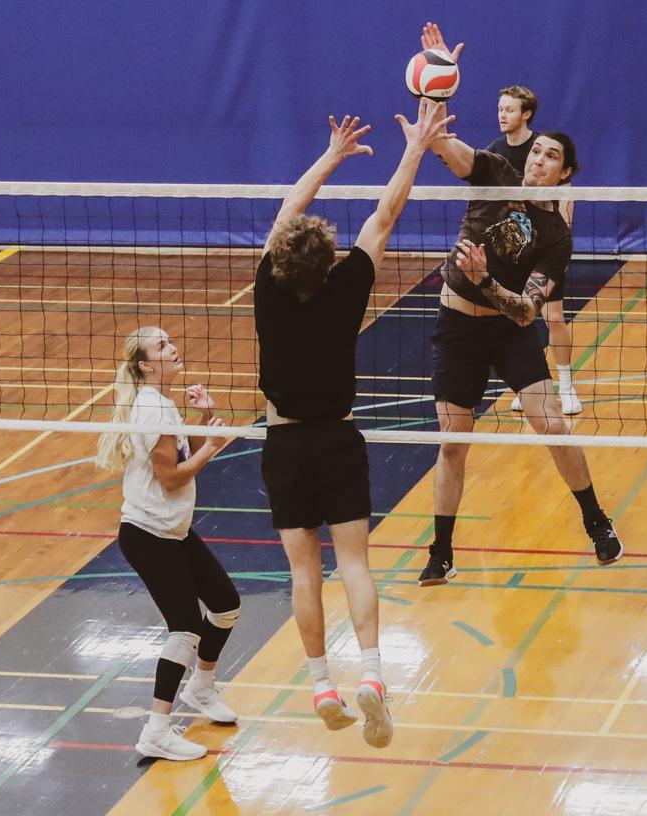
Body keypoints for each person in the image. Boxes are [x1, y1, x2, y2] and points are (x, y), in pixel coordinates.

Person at [255, 101, 454, 748]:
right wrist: (416, 146)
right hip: (338, 440)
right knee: (356, 567)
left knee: (304, 575)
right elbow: (385, 212)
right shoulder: (348, 290)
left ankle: (320, 683)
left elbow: (288, 208)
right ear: (329, 260)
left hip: (284, 444)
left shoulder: (268, 284)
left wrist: (332, 155)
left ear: (284, 259)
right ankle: (370, 673)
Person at [416, 21, 622, 588]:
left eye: (551, 156)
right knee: (453, 443)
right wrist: (434, 95)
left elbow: (529, 312)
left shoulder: (556, 237)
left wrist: (487, 283)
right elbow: (449, 151)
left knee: (551, 422)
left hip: (509, 332)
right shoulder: (497, 171)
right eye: (538, 152)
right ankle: (442, 550)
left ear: (564, 173)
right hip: (457, 327)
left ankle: (596, 521)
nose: (538, 159)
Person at [95, 327, 241, 761]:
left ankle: (201, 687)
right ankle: (155, 730)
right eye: (161, 346)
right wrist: (213, 449)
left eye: (171, 341)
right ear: (145, 365)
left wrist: (203, 422)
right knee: (185, 628)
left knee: (225, 603)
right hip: (147, 533)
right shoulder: (152, 410)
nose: (173, 347)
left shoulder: (162, 405)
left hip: (171, 529)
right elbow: (173, 477)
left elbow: (182, 457)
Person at [487, 85, 583, 416]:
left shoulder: (543, 148)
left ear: (526, 114)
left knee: (552, 316)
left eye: (509, 109)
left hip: (545, 247)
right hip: (511, 249)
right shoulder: (495, 151)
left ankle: (566, 385)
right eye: (500, 109)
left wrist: (561, 246)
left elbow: (565, 198)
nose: (502, 114)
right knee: (516, 315)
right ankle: (527, 382)